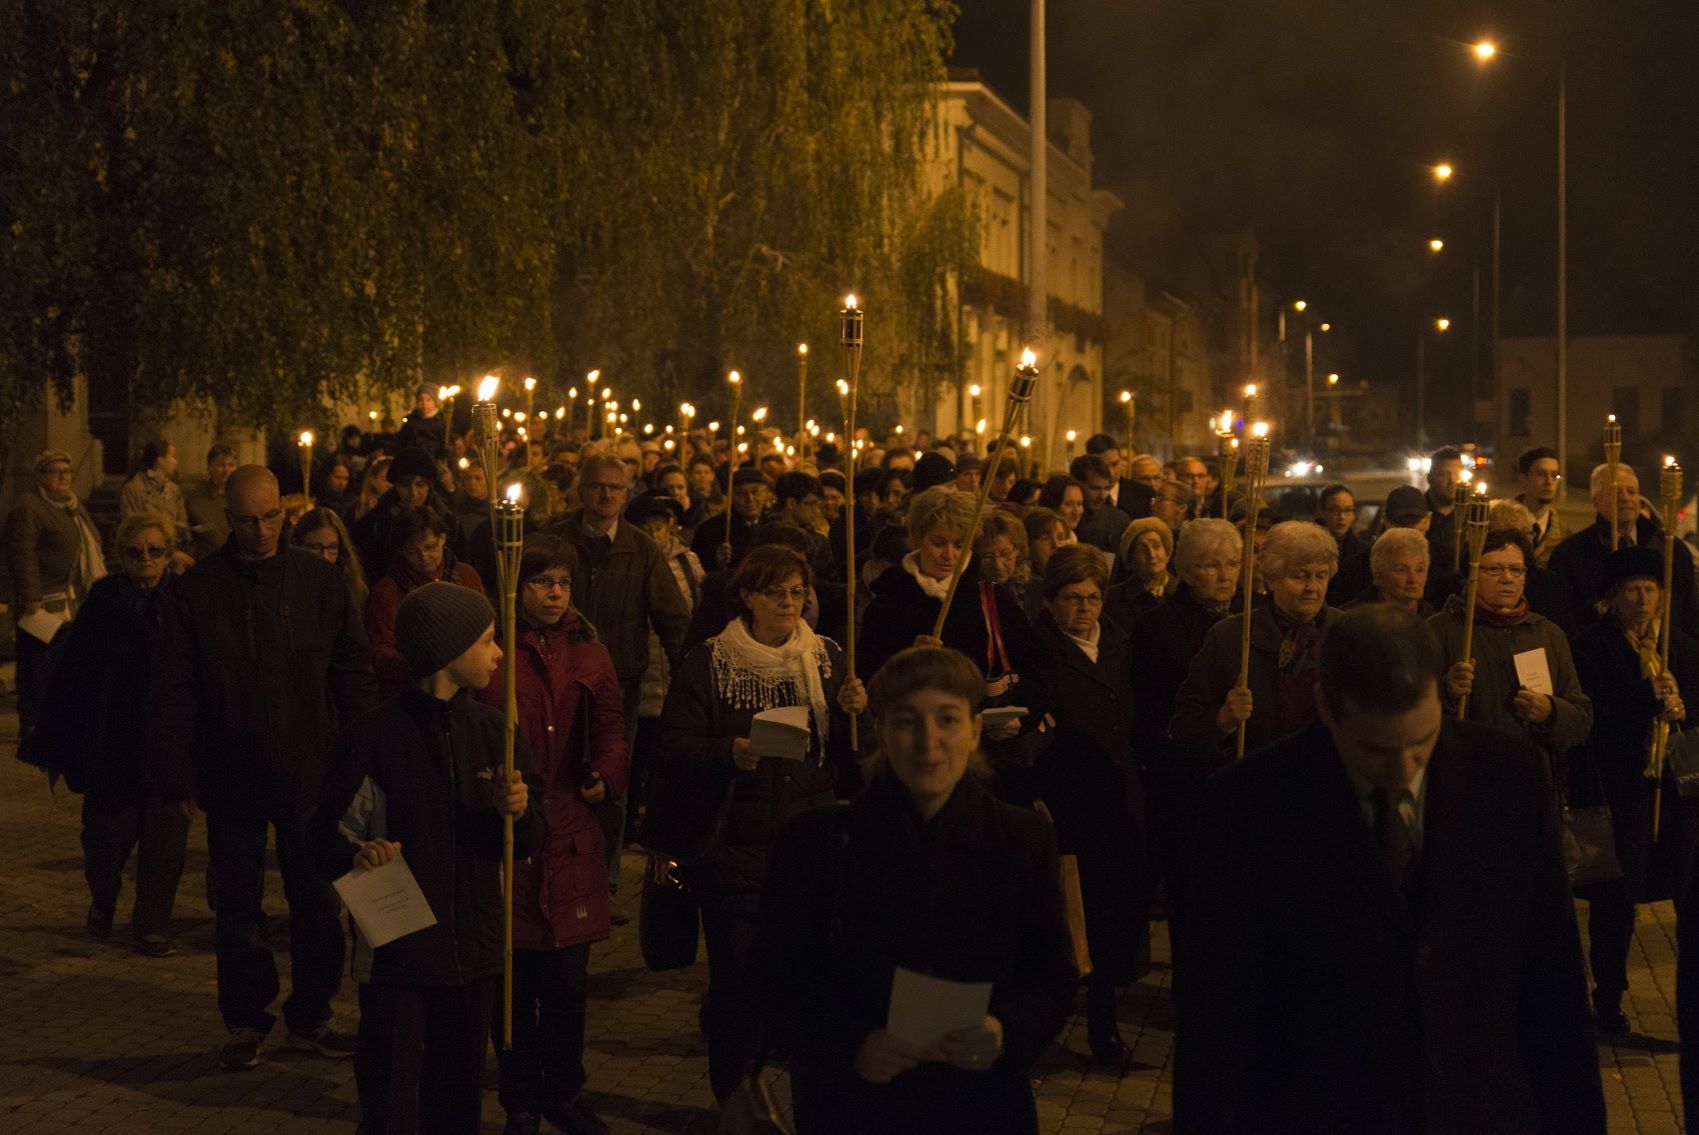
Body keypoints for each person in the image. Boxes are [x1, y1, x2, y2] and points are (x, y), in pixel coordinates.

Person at [1176, 604, 1606, 1133]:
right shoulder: (1250, 802)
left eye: (1421, 742)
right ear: (1326, 707)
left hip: (1478, 1109)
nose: (1404, 770)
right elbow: (1216, 1012)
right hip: (1322, 1111)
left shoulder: (1508, 776)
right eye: (1376, 749)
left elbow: (1552, 976)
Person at [759, 645, 1075, 1135]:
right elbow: (772, 980)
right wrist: (850, 1043)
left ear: (975, 730)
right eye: (907, 721)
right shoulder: (818, 843)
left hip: (981, 1106)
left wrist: (1004, 1031)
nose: (928, 741)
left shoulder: (1022, 840)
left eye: (947, 719)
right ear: (882, 731)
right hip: (856, 1107)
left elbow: (1053, 979)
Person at [152, 465, 376, 1071]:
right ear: (230, 518)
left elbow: (353, 673)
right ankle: (246, 1019)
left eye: (272, 516)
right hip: (232, 772)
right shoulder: (198, 590)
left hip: (311, 771)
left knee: (317, 902)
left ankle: (313, 1013)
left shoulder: (318, 582)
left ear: (286, 510)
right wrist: (181, 774)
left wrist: (356, 758)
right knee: (239, 908)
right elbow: (175, 690)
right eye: (249, 520)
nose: (262, 530)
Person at [308, 582, 540, 1135]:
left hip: (475, 952)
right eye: (486, 640)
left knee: (457, 1105)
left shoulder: (495, 732)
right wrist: (359, 854)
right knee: (391, 1101)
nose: (498, 653)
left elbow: (528, 841)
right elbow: (321, 837)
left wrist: (518, 812)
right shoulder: (374, 736)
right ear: (447, 649)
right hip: (399, 956)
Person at [641, 546, 867, 1101]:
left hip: (806, 845)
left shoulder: (826, 657)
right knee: (737, 988)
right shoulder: (711, 662)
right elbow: (674, 745)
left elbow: (850, 757)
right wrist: (730, 753)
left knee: (804, 981)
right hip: (733, 848)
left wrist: (854, 712)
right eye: (775, 592)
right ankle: (736, 1102)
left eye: (797, 592)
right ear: (746, 596)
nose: (789, 603)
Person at [479, 538, 628, 1135]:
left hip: (570, 831)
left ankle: (564, 1091)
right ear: (518, 586)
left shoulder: (591, 653)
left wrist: (607, 775)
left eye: (563, 582)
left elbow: (613, 729)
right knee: (512, 985)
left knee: (567, 984)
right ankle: (520, 1098)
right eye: (542, 582)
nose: (555, 593)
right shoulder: (492, 651)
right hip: (510, 828)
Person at [24, 511, 189, 957]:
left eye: (155, 551)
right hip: (114, 742)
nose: (146, 560)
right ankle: (103, 897)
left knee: (166, 839)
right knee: (105, 840)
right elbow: (73, 673)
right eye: (135, 552)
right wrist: (60, 738)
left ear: (169, 553)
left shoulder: (183, 601)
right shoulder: (103, 602)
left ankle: (151, 925)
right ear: (122, 555)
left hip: (167, 742)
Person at [1025, 546, 1148, 1066]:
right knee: (1071, 918)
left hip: (1118, 799)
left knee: (1111, 918)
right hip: (1069, 801)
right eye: (1073, 598)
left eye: (1093, 598)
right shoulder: (1038, 651)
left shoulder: (1117, 640)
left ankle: (1104, 1024)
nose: (1085, 608)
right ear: (1051, 601)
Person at [1569, 547, 1698, 1035]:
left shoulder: (1680, 648)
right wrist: (1646, 698)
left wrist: (1684, 710)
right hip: (1622, 790)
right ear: (1612, 597)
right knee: (1617, 899)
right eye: (1631, 590)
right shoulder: (1592, 647)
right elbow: (1594, 717)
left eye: (1650, 589)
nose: (1642, 599)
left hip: (1677, 788)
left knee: (1685, 888)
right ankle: (1608, 999)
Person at [1128, 519, 1240, 963]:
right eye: (1211, 565)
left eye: (1232, 563)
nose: (1225, 575)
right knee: (1191, 897)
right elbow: (1153, 714)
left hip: (1237, 777)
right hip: (1185, 785)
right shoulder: (1158, 628)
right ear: (1188, 570)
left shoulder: (1250, 620)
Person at [1170, 520, 1340, 760]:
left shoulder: (1348, 632)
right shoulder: (1230, 636)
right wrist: (1224, 718)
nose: (1312, 587)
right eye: (1300, 576)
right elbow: (1184, 725)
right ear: (1271, 579)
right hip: (1254, 772)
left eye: (1321, 575)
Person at [1429, 530, 1591, 773]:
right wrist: (1447, 691)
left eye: (1516, 570)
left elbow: (1580, 722)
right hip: (1466, 776)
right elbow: (1406, 715)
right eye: (1494, 569)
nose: (1507, 578)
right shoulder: (1438, 631)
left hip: (1532, 777)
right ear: (1471, 574)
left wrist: (1550, 711)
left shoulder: (1548, 634)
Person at [859, 486, 1036, 693]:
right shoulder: (890, 600)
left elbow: (1033, 668)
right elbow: (870, 680)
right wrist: (908, 660)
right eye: (938, 543)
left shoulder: (990, 599)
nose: (949, 555)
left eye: (959, 545)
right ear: (918, 539)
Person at [4, 448, 107, 736]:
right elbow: (22, 552)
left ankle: (52, 720)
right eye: (55, 472)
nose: (63, 477)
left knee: (60, 661)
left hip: (68, 597)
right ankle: (32, 723)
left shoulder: (70, 505)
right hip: (42, 601)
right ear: (40, 476)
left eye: (66, 471)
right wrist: (31, 598)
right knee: (38, 663)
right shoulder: (30, 507)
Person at [1549, 461, 1699, 639]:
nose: (1625, 498)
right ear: (1596, 501)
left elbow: (1690, 613)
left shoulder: (1671, 549)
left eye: (1632, 492)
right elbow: (1565, 620)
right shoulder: (1571, 554)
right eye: (1615, 492)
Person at [365, 507, 486, 699]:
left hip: (468, 687)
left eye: (430, 547)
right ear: (401, 550)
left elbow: (485, 630)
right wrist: (425, 666)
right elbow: (381, 650)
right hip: (414, 692)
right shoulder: (388, 590)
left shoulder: (465, 576)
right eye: (413, 551)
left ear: (442, 538)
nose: (423, 557)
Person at [354, 446, 463, 585]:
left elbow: (459, 569)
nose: (413, 493)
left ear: (430, 485)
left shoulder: (449, 524)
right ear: (394, 485)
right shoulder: (373, 525)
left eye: (420, 484)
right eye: (404, 485)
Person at [1329, 483, 1430, 605]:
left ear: (1428, 521)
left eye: (1413, 523)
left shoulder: (1440, 565)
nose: (1405, 532)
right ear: (1386, 521)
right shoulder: (1353, 571)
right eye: (1400, 523)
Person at [292, 506, 369, 614]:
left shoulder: (352, 589)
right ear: (298, 546)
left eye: (332, 547)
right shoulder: (288, 586)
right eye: (315, 547)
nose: (325, 556)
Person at [119, 439, 192, 553]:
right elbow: (132, 527)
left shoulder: (173, 489)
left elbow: (183, 520)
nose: (176, 462)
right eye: (173, 456)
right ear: (161, 460)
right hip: (147, 553)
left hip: (173, 549)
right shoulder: (134, 488)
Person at [1344, 526, 1434, 617]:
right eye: (1401, 570)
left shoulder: (1433, 620)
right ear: (1378, 576)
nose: (1413, 579)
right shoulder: (1350, 619)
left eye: (1419, 570)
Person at [692, 467, 771, 569]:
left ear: (766, 494)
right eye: (741, 493)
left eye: (755, 492)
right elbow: (697, 571)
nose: (750, 499)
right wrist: (716, 562)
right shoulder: (709, 530)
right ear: (731, 496)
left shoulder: (773, 527)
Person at [1105, 516, 1175, 630]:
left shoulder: (1184, 594)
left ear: (1167, 554)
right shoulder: (1113, 599)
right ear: (1131, 561)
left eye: (1156, 546)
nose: (1151, 554)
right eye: (1142, 549)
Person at [186, 443, 239, 560]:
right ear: (209, 468)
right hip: (209, 561)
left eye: (231, 465)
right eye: (220, 465)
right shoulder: (196, 500)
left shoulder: (242, 496)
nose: (226, 470)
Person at [1070, 454, 1131, 554]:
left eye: (1106, 488)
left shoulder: (1120, 520)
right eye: (1095, 488)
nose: (1102, 496)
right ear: (1077, 485)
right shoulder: (1065, 519)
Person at [1517, 446, 1567, 566]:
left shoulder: (1564, 536)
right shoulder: (1501, 526)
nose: (1549, 481)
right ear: (1524, 480)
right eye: (1541, 474)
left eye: (1554, 475)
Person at [1422, 446, 1466, 571]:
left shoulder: (1472, 514)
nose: (1452, 481)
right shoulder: (1418, 512)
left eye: (1457, 475)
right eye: (1443, 475)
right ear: (1430, 478)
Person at [1315, 483, 1366, 566]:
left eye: (1348, 510)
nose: (1342, 516)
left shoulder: (1362, 552)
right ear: (1322, 512)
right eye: (1335, 510)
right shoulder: (1309, 547)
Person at [395, 382, 447, 460]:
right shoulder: (411, 421)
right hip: (413, 459)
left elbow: (447, 441)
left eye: (428, 400)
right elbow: (402, 440)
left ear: (435, 402)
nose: (424, 403)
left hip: (433, 460)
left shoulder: (441, 421)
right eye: (421, 400)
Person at [1035, 475, 1085, 540]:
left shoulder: (1072, 538)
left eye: (1079, 504)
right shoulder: (1042, 540)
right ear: (1052, 505)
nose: (1076, 511)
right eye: (1068, 504)